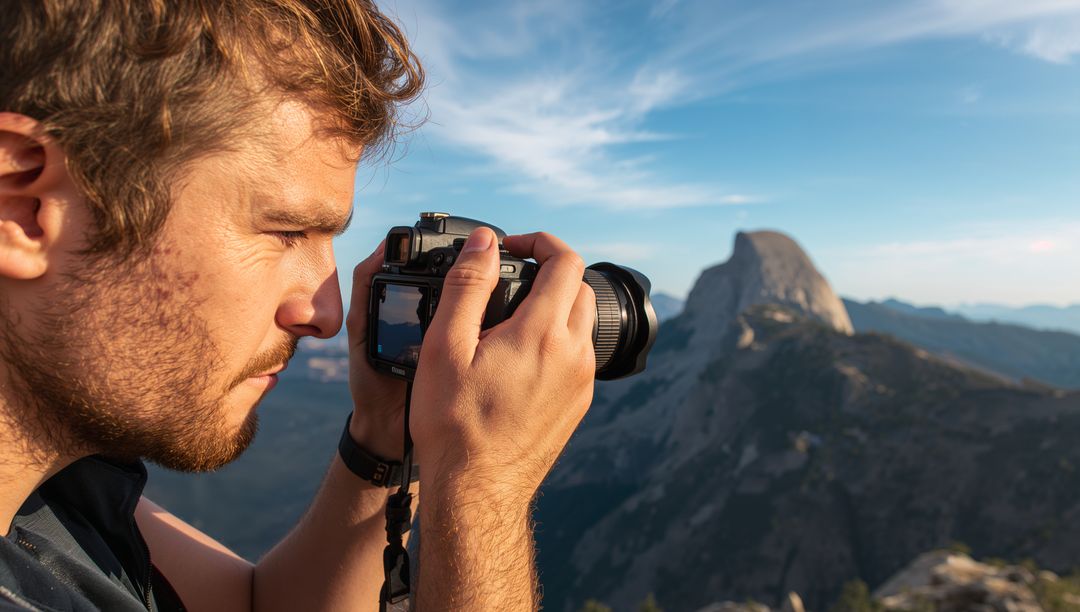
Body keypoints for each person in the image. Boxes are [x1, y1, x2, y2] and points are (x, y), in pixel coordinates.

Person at [0, 2, 596, 611]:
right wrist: (481, 488)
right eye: (285, 232)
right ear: (21, 210)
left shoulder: (59, 488)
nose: (328, 314)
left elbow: (256, 606)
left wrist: (384, 440)